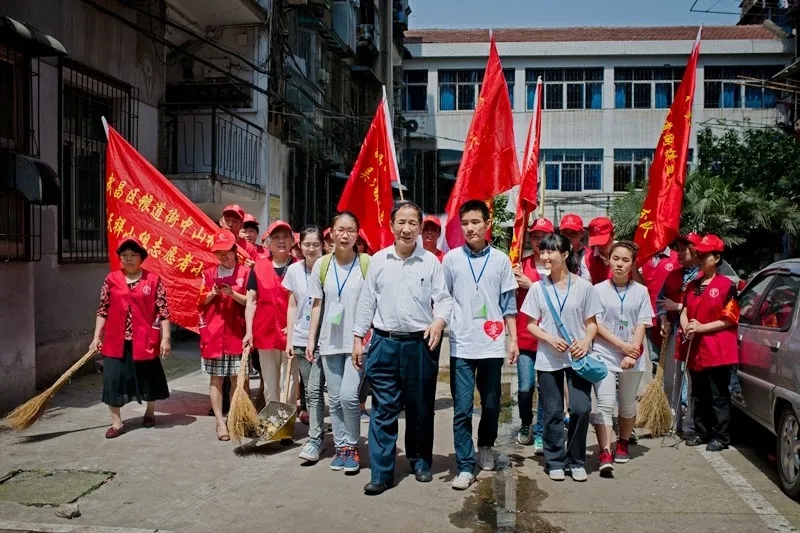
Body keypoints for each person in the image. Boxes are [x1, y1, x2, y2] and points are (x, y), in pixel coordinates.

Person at [352, 200, 453, 496]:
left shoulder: (431, 262)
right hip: (384, 343)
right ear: (391, 225)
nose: (407, 229)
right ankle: (382, 473)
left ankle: (420, 460)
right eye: (401, 222)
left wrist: (438, 321)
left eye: (413, 223)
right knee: (382, 409)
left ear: (420, 228)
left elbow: (444, 300)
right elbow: (367, 302)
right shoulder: (379, 261)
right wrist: (359, 338)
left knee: (420, 407)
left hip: (419, 345)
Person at [444, 200, 519, 490]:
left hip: (491, 344)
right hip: (461, 345)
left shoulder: (500, 260)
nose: (470, 228)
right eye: (465, 223)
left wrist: (512, 339)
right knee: (462, 408)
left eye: (475, 222)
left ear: (487, 224)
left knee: (490, 404)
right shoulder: (451, 260)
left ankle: (485, 445)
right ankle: (464, 464)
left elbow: (508, 304)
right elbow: (443, 297)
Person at [520, 233, 603, 482]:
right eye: (542, 251)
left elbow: (592, 323)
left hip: (578, 357)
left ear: (565, 255)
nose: (544, 256)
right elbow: (531, 325)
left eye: (551, 252)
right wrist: (549, 338)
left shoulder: (584, 287)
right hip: (548, 359)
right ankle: (555, 460)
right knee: (553, 412)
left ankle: (576, 459)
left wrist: (586, 340)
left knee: (580, 408)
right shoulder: (537, 288)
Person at [306, 212, 370, 474]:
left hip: (358, 343)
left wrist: (367, 338)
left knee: (349, 397)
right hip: (329, 343)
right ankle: (341, 447)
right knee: (334, 399)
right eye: (340, 230)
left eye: (351, 230)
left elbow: (373, 302)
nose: (345, 235)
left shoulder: (367, 263)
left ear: (357, 234)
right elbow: (317, 305)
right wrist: (311, 340)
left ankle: (352, 445)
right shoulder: (322, 265)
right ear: (331, 233)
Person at [90, 237, 171, 439]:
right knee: (112, 378)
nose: (128, 259)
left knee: (148, 377)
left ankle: (150, 411)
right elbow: (102, 310)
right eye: (124, 256)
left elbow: (163, 312)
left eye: (132, 255)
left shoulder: (153, 280)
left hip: (145, 339)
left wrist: (166, 338)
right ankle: (117, 422)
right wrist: (96, 337)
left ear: (141, 258)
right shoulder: (111, 279)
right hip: (115, 340)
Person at [591, 241, 654, 473]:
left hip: (632, 356)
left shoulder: (641, 291)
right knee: (605, 404)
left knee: (627, 406)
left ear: (632, 264)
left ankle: (623, 444)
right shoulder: (596, 290)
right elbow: (595, 323)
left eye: (625, 260)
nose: (619, 264)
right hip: (604, 354)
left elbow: (642, 323)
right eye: (615, 258)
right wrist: (620, 346)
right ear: (608, 260)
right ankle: (605, 451)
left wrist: (633, 351)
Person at [679, 234, 739, 452]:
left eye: (705, 255)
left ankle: (721, 436)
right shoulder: (692, 285)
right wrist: (686, 325)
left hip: (718, 349)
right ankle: (702, 432)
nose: (700, 259)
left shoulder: (726, 286)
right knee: (699, 393)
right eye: (699, 255)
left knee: (718, 395)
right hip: (697, 349)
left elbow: (729, 318)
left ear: (717, 257)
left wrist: (702, 327)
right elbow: (684, 310)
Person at [243, 220, 298, 427]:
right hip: (265, 332)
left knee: (290, 382)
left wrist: (295, 326)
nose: (281, 241)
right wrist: (249, 331)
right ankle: (274, 424)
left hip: (290, 334)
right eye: (276, 237)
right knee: (270, 383)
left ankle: (287, 426)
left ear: (293, 241)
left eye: (285, 237)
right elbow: (251, 301)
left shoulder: (298, 267)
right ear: (267, 243)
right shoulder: (259, 267)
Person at [199, 229, 250, 441]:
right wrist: (211, 294)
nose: (222, 255)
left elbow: (251, 302)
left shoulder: (245, 273)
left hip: (238, 333)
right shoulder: (208, 274)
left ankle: (237, 419)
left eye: (226, 251)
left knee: (239, 381)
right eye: (218, 252)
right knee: (216, 379)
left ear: (234, 250)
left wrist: (233, 294)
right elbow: (199, 302)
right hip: (214, 335)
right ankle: (220, 422)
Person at [284, 225, 326, 462]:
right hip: (301, 339)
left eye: (315, 244)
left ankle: (337, 440)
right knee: (312, 391)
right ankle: (315, 440)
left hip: (326, 340)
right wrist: (290, 338)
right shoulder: (293, 271)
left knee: (326, 392)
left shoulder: (329, 268)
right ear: (299, 246)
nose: (310, 249)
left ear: (323, 245)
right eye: (306, 244)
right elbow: (292, 305)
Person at [513, 217, 553, 454]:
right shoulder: (521, 264)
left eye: (543, 236)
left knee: (547, 389)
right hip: (525, 337)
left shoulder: (556, 269)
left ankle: (541, 431)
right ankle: (526, 423)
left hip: (549, 339)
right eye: (535, 236)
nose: (539, 241)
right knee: (526, 387)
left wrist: (532, 284)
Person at [559, 214, 590, 281]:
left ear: (582, 233)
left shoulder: (588, 255)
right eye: (564, 233)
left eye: (573, 233)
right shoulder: (556, 252)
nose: (568, 237)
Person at [585, 217, 615, 284]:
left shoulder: (626, 254)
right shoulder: (587, 259)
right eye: (596, 241)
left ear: (613, 235)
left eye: (604, 241)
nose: (600, 245)